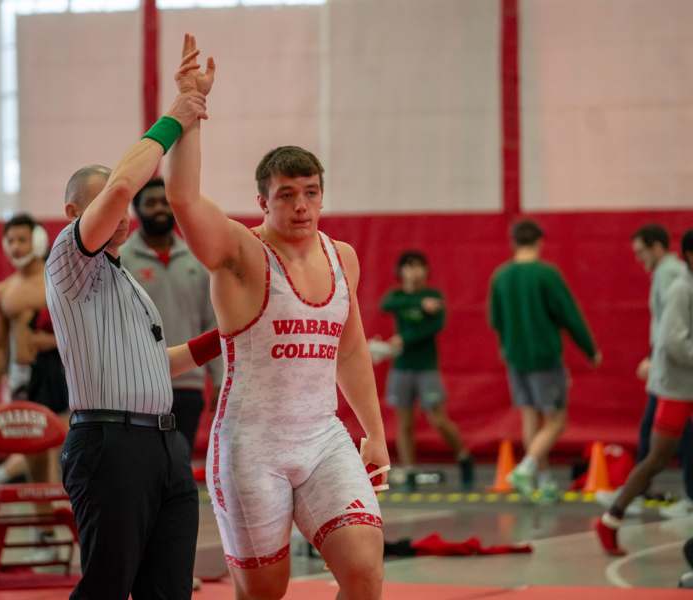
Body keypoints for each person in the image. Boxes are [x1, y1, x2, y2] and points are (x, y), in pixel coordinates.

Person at [165, 34, 388, 600]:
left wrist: (375, 434)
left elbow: (352, 350)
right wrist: (189, 117)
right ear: (263, 202)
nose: (301, 206)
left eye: (311, 193)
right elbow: (186, 201)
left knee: (364, 572)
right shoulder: (241, 255)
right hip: (251, 448)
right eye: (287, 195)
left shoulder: (343, 259)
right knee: (265, 592)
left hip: (323, 440)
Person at [45, 81, 209, 599]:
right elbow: (120, 188)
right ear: (75, 214)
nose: (124, 213)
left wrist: (228, 336)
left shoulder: (127, 280)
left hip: (163, 441)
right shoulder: (68, 261)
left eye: (124, 208)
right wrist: (176, 118)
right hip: (109, 443)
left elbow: (156, 365)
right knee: (108, 587)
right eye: (108, 205)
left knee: (168, 589)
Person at [489, 219, 601, 502]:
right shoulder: (546, 275)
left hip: (516, 357)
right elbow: (569, 316)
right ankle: (526, 468)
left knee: (530, 417)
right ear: (540, 241)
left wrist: (508, 347)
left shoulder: (500, 276)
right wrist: (590, 349)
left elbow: (495, 320)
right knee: (556, 421)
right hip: (544, 357)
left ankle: (544, 479)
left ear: (513, 242)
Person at [596, 229, 693, 555]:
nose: (639, 260)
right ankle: (611, 518)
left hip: (683, 386)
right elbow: (674, 343)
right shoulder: (681, 287)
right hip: (679, 391)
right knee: (656, 459)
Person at [0, 213, 69, 555]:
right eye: (10, 240)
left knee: (64, 453)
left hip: (62, 376)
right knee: (36, 456)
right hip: (23, 380)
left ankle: (72, 527)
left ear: (36, 240)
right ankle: (45, 532)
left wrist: (48, 343)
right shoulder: (2, 291)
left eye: (22, 239)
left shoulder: (58, 281)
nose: (15, 247)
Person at [121, 177, 222, 451]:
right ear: (136, 209)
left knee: (179, 466)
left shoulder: (197, 257)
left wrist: (221, 378)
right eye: (150, 202)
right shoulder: (121, 259)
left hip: (189, 385)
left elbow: (213, 321)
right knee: (144, 466)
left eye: (165, 202)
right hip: (138, 384)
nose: (159, 209)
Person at [380, 250, 474, 491]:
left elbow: (433, 327)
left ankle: (463, 456)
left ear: (426, 270)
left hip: (426, 368)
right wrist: (418, 304)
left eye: (419, 266)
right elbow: (387, 304)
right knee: (404, 423)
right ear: (400, 272)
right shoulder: (399, 296)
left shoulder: (434, 296)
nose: (414, 271)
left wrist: (404, 339)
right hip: (401, 369)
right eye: (409, 267)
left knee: (438, 419)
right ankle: (410, 470)